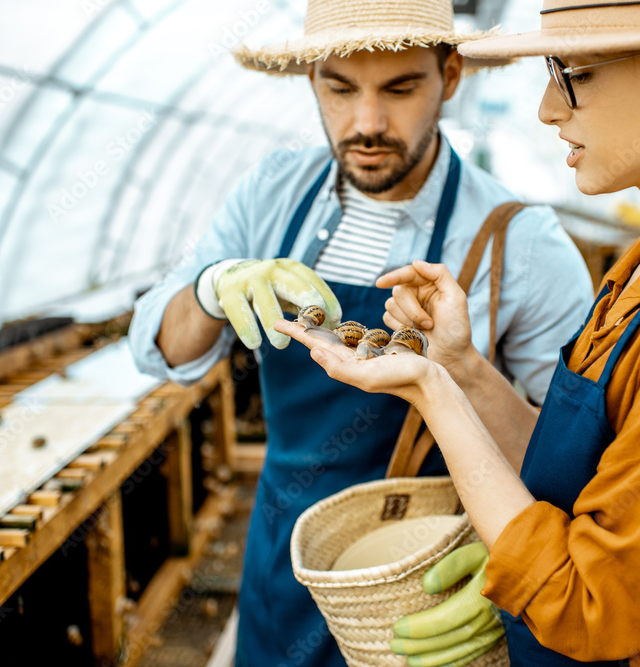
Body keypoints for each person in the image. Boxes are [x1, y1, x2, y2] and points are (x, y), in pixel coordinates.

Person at [277, 0, 640, 664]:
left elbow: (596, 601)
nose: (547, 110)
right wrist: (460, 368)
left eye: (573, 74)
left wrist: (431, 393)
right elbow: (589, 480)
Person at [127, 0, 594, 664]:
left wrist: (460, 367)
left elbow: (572, 468)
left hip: (420, 585)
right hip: (281, 566)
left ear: (451, 75)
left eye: (401, 88)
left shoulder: (518, 241)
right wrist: (210, 286)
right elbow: (160, 348)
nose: (367, 123)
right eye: (339, 88)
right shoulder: (270, 193)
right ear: (310, 78)